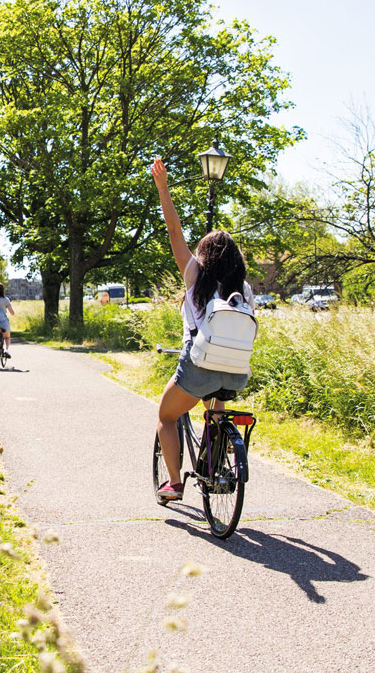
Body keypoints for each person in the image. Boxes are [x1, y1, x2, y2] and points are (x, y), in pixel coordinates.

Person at [150, 157, 254, 501]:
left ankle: (174, 483)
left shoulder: (196, 276)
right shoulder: (244, 290)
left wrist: (163, 187)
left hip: (199, 365)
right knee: (215, 407)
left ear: (205, 255)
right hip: (237, 372)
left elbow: (174, 231)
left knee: (167, 415)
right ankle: (213, 465)